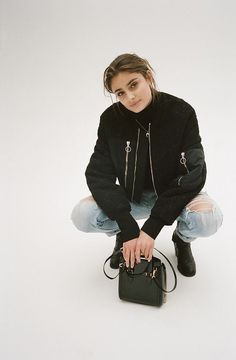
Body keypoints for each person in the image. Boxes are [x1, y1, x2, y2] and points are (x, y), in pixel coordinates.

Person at [71, 53, 223, 277]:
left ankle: (182, 240)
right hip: (133, 198)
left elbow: (196, 172)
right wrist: (127, 224)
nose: (130, 97)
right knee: (82, 215)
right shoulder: (111, 120)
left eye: (134, 84)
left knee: (207, 220)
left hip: (177, 195)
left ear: (148, 77)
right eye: (120, 93)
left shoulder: (181, 113)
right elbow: (97, 174)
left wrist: (153, 227)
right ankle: (125, 237)